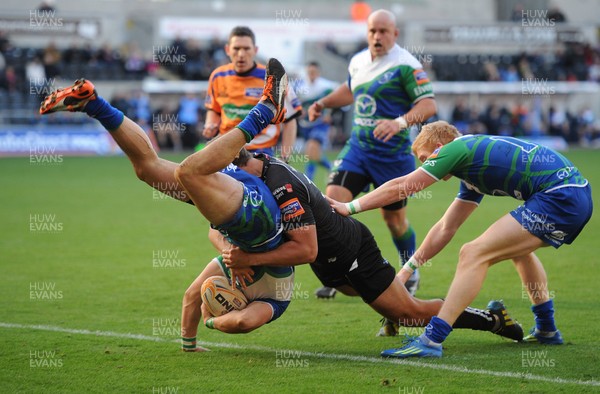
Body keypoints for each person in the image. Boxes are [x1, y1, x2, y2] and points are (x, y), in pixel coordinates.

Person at [38, 62, 294, 352]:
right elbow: (242, 322)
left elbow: (192, 297)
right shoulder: (276, 298)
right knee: (188, 172)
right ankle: (266, 110)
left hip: (232, 210)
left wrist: (197, 335)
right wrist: (237, 268)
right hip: (259, 219)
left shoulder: (227, 265)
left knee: (147, 170)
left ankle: (93, 104)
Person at [329, 120, 593, 358]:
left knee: (473, 252)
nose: (426, 165)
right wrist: (407, 271)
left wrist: (350, 207)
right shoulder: (469, 172)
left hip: (560, 196)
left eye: (426, 157)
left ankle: (432, 339)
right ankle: (546, 328)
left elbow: (403, 186)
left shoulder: (456, 149)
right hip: (573, 196)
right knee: (518, 250)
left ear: (439, 147)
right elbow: (446, 227)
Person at [308, 10, 437, 336]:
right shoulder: (358, 61)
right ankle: (342, 271)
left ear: (395, 33)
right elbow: (350, 90)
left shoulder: (407, 65)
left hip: (393, 158)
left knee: (394, 221)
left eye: (383, 31)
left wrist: (399, 123)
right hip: (358, 150)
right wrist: (323, 103)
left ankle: (411, 269)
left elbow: (428, 106)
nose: (377, 37)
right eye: (372, 31)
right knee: (329, 205)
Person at [203, 26, 302, 160]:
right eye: (236, 48)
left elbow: (290, 120)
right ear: (227, 50)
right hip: (226, 148)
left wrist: (285, 157)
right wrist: (210, 124)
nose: (241, 54)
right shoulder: (218, 76)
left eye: (246, 48)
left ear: (255, 50)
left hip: (260, 151)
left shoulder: (272, 77)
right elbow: (214, 109)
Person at [296, 61, 337, 181]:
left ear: (318, 73)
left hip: (320, 124)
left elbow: (335, 100)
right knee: (312, 153)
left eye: (314, 72)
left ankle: (308, 180)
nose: (311, 74)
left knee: (311, 147)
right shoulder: (300, 87)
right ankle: (332, 167)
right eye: (309, 72)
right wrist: (299, 111)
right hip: (307, 124)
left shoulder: (326, 86)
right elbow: (296, 103)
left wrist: (329, 113)